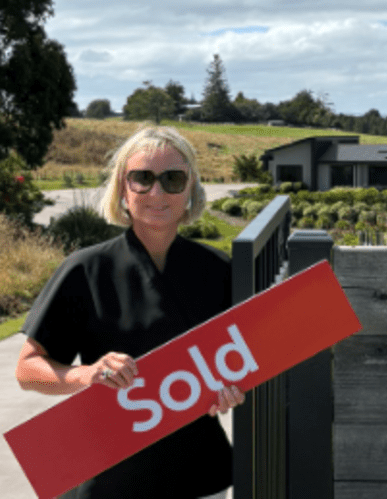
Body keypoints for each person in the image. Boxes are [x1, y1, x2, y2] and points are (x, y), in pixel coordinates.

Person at [15, 124, 244, 499]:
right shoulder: (85, 270)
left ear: (191, 190)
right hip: (105, 478)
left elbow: (253, 358)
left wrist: (236, 388)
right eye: (142, 178)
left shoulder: (220, 271)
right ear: (123, 188)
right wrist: (86, 375)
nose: (157, 192)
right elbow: (27, 370)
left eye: (172, 179)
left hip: (198, 476)